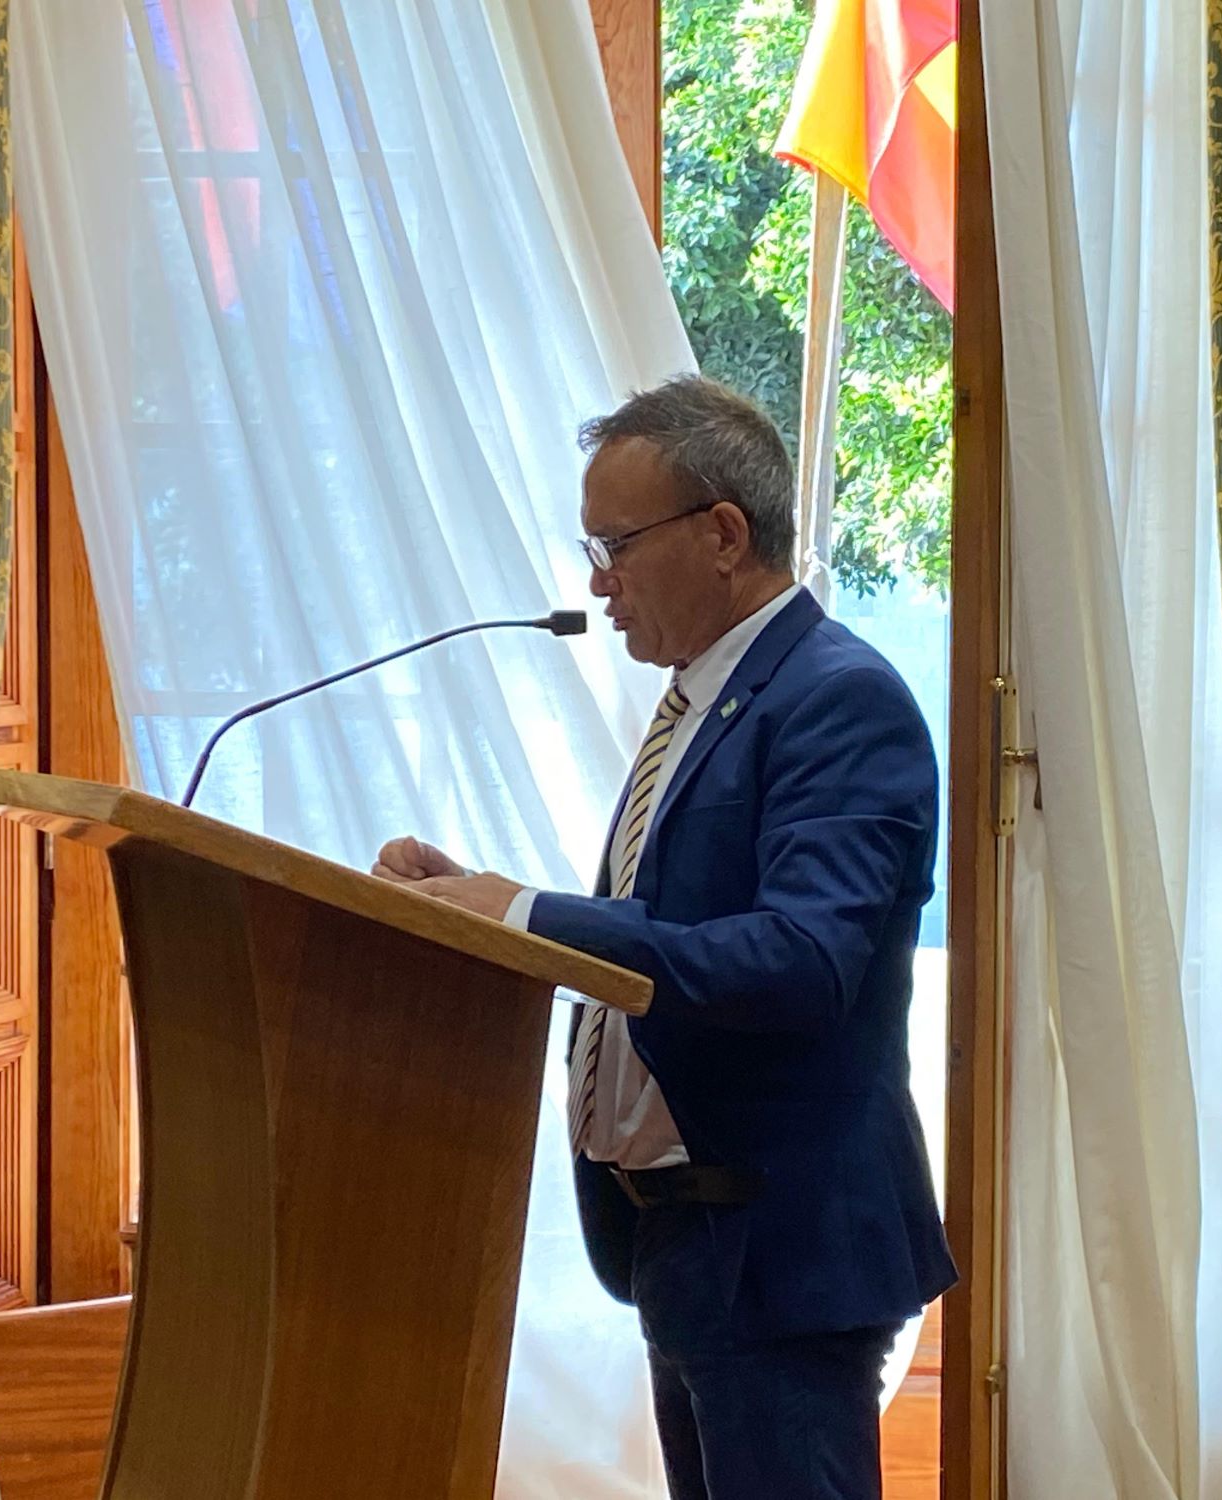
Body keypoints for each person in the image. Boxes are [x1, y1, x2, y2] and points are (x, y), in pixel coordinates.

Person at [373, 375, 954, 1500]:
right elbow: (678, 922)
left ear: (723, 534)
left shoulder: (837, 699)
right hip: (684, 1237)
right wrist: (486, 909)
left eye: (615, 544)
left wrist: (530, 914)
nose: (598, 581)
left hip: (777, 1244)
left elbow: (801, 962)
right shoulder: (706, 695)